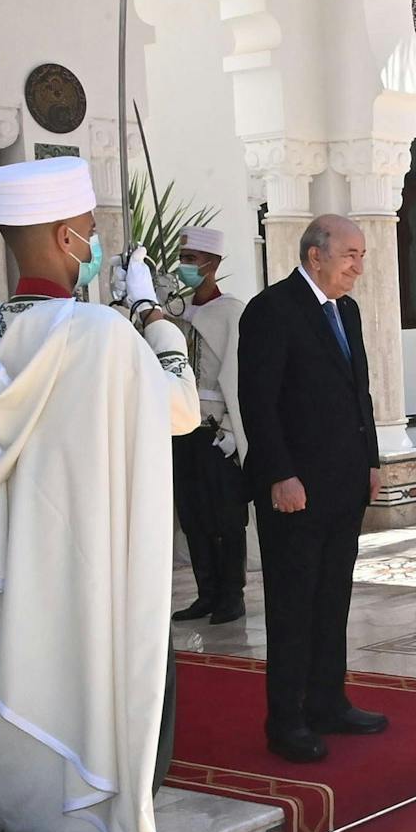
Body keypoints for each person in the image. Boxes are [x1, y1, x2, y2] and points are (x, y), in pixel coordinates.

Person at [0, 156, 198, 832]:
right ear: (68, 239)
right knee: (74, 731)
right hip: (69, 588)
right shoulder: (102, 336)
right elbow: (180, 408)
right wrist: (155, 321)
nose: (95, 245)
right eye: (91, 233)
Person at [237, 215, 388, 764]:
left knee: (332, 599)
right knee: (294, 604)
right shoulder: (271, 310)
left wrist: (370, 462)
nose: (358, 266)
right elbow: (258, 402)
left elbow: (359, 394)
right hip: (294, 490)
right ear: (315, 254)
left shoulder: (346, 311)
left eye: (363, 255)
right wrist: (280, 474)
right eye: (351, 253)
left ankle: (328, 701)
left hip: (344, 484)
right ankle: (286, 720)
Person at [169, 225, 250, 624]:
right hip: (183, 429)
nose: (185, 267)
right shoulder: (177, 311)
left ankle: (231, 594)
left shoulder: (231, 311)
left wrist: (234, 432)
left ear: (212, 264)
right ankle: (206, 592)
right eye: (182, 260)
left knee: (226, 516)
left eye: (191, 260)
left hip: (217, 431)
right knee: (193, 514)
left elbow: (237, 375)